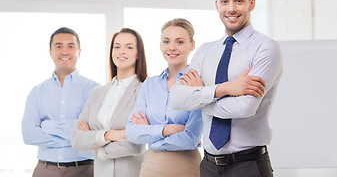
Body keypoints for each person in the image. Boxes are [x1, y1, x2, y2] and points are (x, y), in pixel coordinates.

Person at [170, 0, 283, 177]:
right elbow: (176, 98)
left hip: (248, 165)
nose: (231, 8)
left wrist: (199, 97)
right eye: (225, 1)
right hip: (208, 165)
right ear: (217, 5)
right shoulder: (205, 52)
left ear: (252, 3)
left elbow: (244, 107)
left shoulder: (265, 48)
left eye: (239, 0)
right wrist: (227, 89)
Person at [126, 18, 203, 177]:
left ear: (192, 45)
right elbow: (132, 132)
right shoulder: (150, 84)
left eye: (180, 42)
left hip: (187, 166)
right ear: (161, 45)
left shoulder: (198, 83)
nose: (172, 47)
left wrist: (151, 136)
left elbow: (191, 138)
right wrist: (167, 129)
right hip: (150, 166)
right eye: (166, 41)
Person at [21, 27, 99, 177]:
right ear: (50, 52)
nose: (65, 51)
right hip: (45, 170)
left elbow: (94, 132)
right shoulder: (37, 92)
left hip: (84, 170)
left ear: (79, 52)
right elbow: (29, 134)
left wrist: (48, 126)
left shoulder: (94, 90)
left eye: (70, 46)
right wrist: (76, 139)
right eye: (59, 46)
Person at [71, 28, 147, 177]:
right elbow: (76, 138)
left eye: (129, 47)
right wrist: (107, 135)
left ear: (139, 54)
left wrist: (95, 144)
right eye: (117, 46)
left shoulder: (144, 91)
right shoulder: (97, 92)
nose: (121, 51)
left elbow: (137, 144)